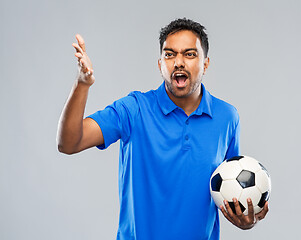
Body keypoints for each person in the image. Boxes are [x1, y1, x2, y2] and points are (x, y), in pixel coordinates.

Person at [57, 18, 268, 240]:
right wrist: (82, 83)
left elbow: (231, 192)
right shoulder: (134, 109)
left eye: (190, 54)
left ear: (205, 64)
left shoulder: (227, 117)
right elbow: (68, 143)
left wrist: (247, 219)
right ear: (160, 64)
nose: (178, 62)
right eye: (169, 54)